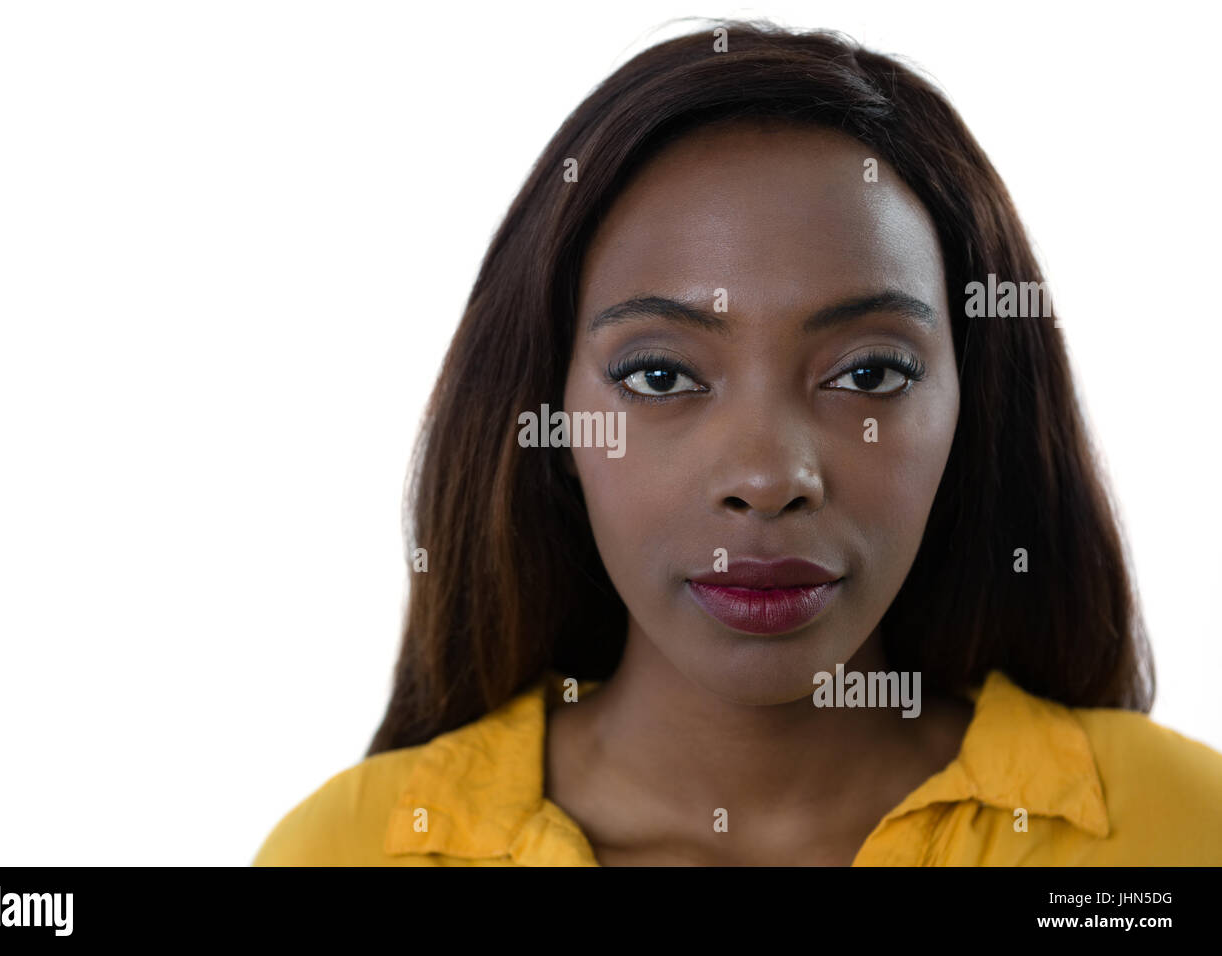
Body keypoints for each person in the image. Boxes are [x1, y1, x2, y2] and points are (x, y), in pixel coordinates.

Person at [253, 20, 1222, 866]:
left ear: (975, 406)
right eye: (661, 375)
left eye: (870, 373)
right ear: (546, 417)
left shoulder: (1182, 829)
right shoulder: (343, 854)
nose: (766, 478)